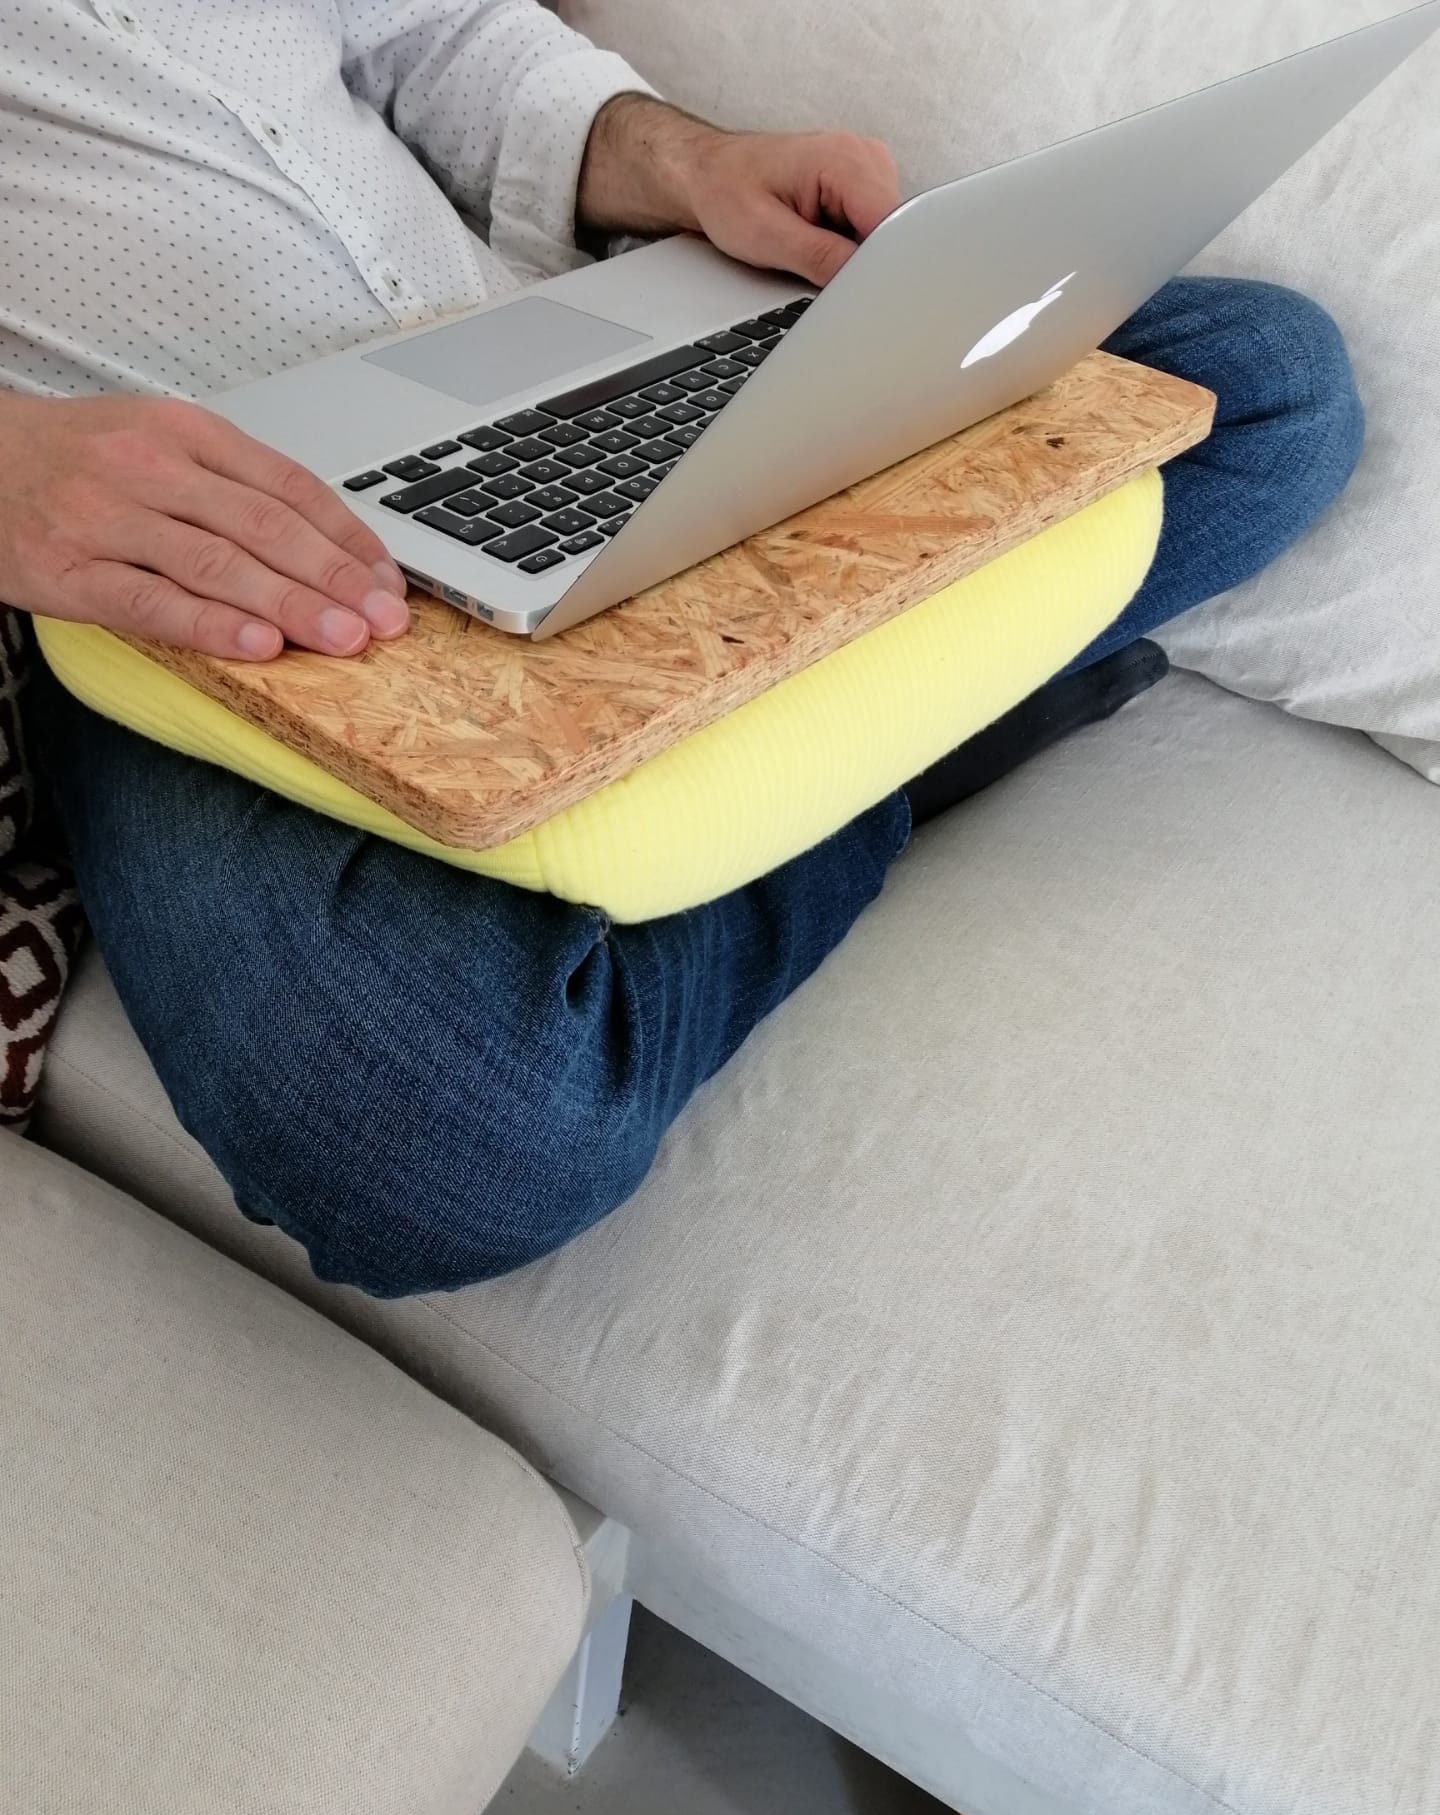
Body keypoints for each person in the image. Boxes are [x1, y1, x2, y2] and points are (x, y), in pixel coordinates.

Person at [1, 3, 1363, 1291]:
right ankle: (895, 748)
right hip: (189, 574)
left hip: (555, 353)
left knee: (1263, 383)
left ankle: (754, 766)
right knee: (446, 1143)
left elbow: (431, 33)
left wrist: (689, 163)